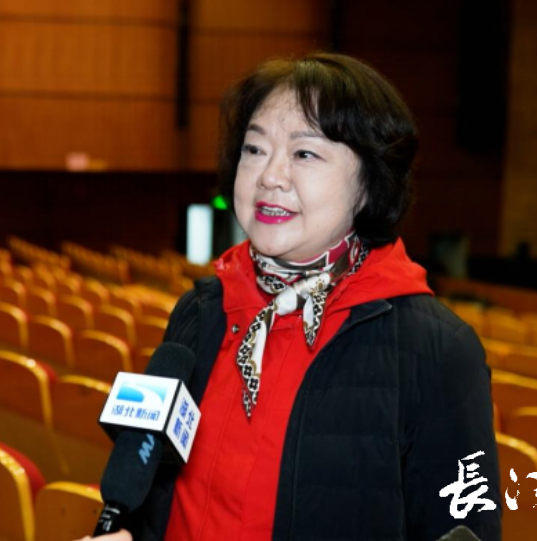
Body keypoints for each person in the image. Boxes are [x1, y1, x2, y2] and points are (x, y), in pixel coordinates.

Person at [88, 51, 501, 541]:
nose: (270, 176)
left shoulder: (438, 352)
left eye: (305, 154)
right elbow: (153, 489)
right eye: (254, 149)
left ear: (369, 184)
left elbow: (464, 527)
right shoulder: (200, 312)